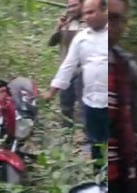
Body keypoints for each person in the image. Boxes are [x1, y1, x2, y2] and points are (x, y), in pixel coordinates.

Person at [42, 0, 108, 161]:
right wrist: (51, 91)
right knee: (68, 107)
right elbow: (67, 63)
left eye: (91, 12)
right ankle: (72, 143)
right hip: (88, 93)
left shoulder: (109, 32)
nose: (88, 16)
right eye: (69, 6)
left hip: (97, 88)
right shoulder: (76, 32)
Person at [107, 0, 137, 193]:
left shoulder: (124, 67)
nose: (109, 25)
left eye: (116, 18)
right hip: (81, 184)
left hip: (115, 183)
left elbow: (130, 130)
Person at [47, 0, 85, 127]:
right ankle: (67, 134)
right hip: (66, 72)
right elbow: (51, 42)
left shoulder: (89, 22)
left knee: (84, 109)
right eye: (69, 6)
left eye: (74, 6)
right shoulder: (66, 22)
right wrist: (59, 27)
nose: (71, 9)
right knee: (66, 108)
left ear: (83, 5)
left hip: (83, 73)